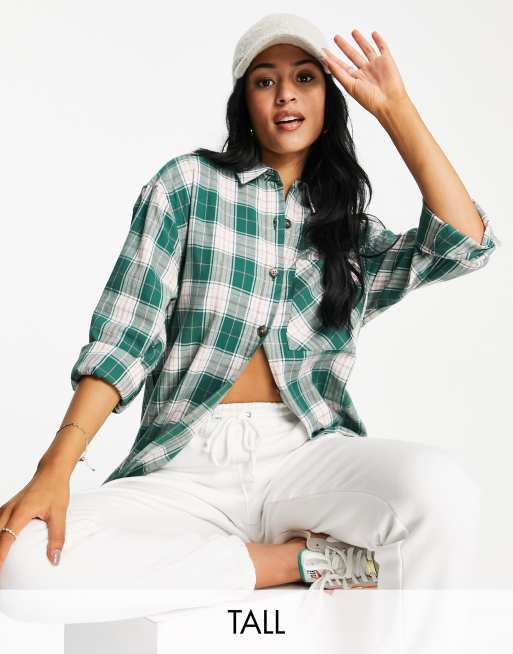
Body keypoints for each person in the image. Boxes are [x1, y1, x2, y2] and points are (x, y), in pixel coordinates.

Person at [0, 12, 500, 629]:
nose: (286, 93)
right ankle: (300, 562)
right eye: (265, 81)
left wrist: (394, 108)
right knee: (18, 565)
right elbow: (125, 339)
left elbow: (463, 245)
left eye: (305, 78)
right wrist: (53, 469)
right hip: (184, 468)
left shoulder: (347, 233)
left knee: (442, 489)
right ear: (245, 103)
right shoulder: (187, 186)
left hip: (303, 461)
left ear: (328, 101)